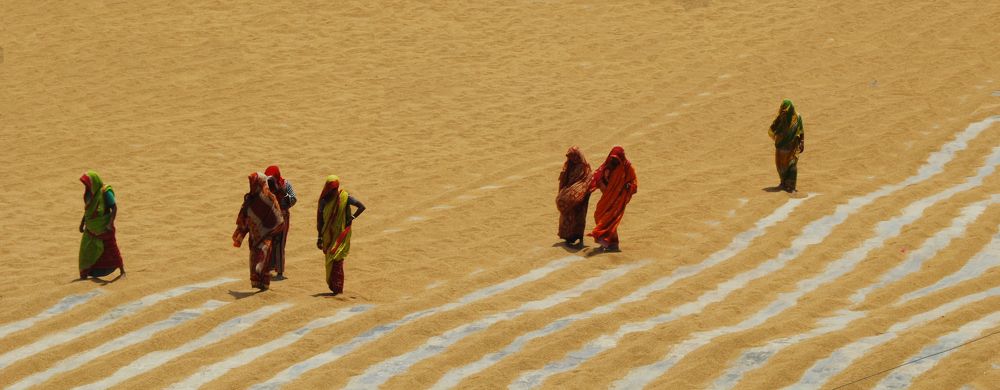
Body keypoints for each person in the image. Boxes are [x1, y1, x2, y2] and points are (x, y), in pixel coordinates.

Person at [233, 172, 284, 291]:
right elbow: (245, 219)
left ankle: (263, 282)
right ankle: (260, 283)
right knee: (259, 256)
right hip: (260, 235)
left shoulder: (261, 198)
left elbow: (276, 214)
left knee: (260, 256)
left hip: (262, 235)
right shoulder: (255, 198)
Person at [316, 175, 366, 295]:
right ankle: (333, 287)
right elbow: (320, 221)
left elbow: (361, 207)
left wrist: (352, 218)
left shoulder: (344, 197)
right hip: (328, 237)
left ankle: (338, 289)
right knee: (330, 261)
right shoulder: (323, 201)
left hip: (340, 236)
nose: (334, 192)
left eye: (335, 189)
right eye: (331, 189)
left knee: (338, 260)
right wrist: (319, 237)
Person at [587, 146, 638, 251]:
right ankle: (610, 243)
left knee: (609, 220)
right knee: (599, 215)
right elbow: (597, 175)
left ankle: (610, 244)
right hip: (607, 197)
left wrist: (629, 186)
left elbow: (634, 182)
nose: (614, 160)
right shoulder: (608, 165)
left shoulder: (627, 168)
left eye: (616, 159)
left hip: (618, 199)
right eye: (612, 158)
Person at [78, 171, 125, 279]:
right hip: (91, 226)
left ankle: (122, 270)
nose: (86, 186)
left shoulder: (105, 192)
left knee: (111, 248)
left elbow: (114, 208)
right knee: (87, 249)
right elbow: (88, 210)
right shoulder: (90, 193)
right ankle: (87, 271)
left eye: (87, 184)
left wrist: (109, 223)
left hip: (103, 226)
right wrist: (82, 223)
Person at [265, 165, 297, 279]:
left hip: (283, 216)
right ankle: (268, 268)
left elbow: (294, 199)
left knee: (279, 243)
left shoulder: (286, 184)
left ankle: (280, 272)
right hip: (270, 217)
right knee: (268, 243)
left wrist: (283, 194)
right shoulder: (265, 186)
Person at [556, 146, 592, 246]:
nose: (572, 159)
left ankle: (579, 237)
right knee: (568, 217)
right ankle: (568, 237)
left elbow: (587, 181)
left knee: (579, 217)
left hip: (581, 199)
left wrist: (579, 191)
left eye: (573, 157)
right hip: (569, 198)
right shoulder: (568, 166)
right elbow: (564, 180)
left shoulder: (585, 168)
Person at [768, 99, 805, 192]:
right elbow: (771, 130)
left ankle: (791, 186)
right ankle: (783, 183)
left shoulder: (797, 118)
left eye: (786, 110)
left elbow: (801, 131)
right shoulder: (780, 118)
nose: (784, 112)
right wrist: (778, 136)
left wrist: (802, 142)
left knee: (792, 166)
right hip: (780, 149)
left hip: (792, 148)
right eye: (782, 110)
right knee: (781, 167)